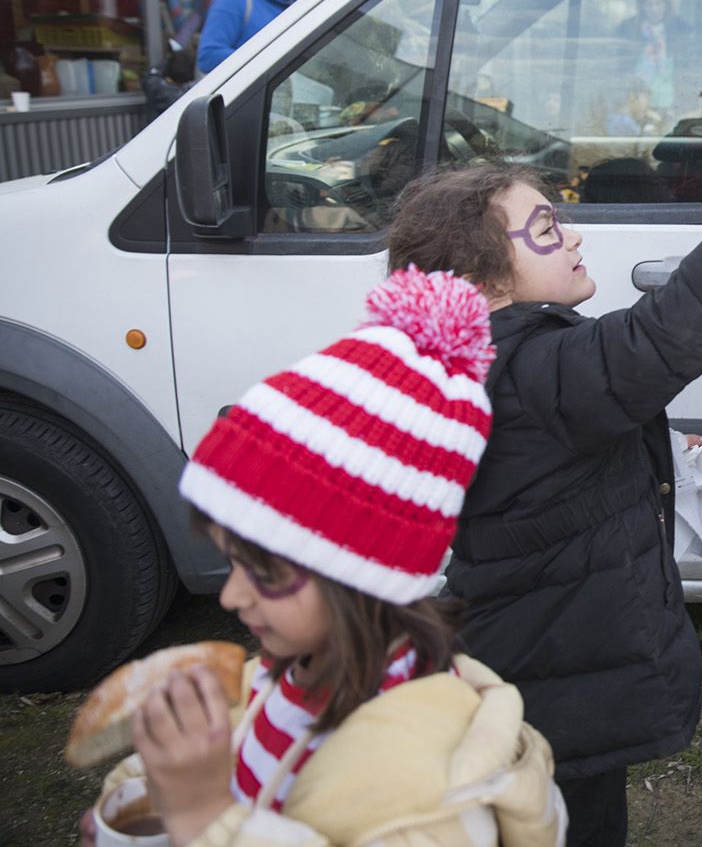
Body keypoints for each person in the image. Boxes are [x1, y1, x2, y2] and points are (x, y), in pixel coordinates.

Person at [384, 99, 702, 847]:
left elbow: (602, 391)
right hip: (549, 685)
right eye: (544, 230)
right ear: (482, 281)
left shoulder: (490, 358)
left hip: (540, 667)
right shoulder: (525, 365)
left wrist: (675, 396)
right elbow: (644, 344)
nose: (571, 235)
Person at [77, 268, 567, 845]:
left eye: (263, 573)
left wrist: (202, 819)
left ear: (364, 576)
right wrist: (150, 786)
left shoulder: (427, 795)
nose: (231, 597)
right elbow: (233, 754)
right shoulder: (282, 675)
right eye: (231, 561)